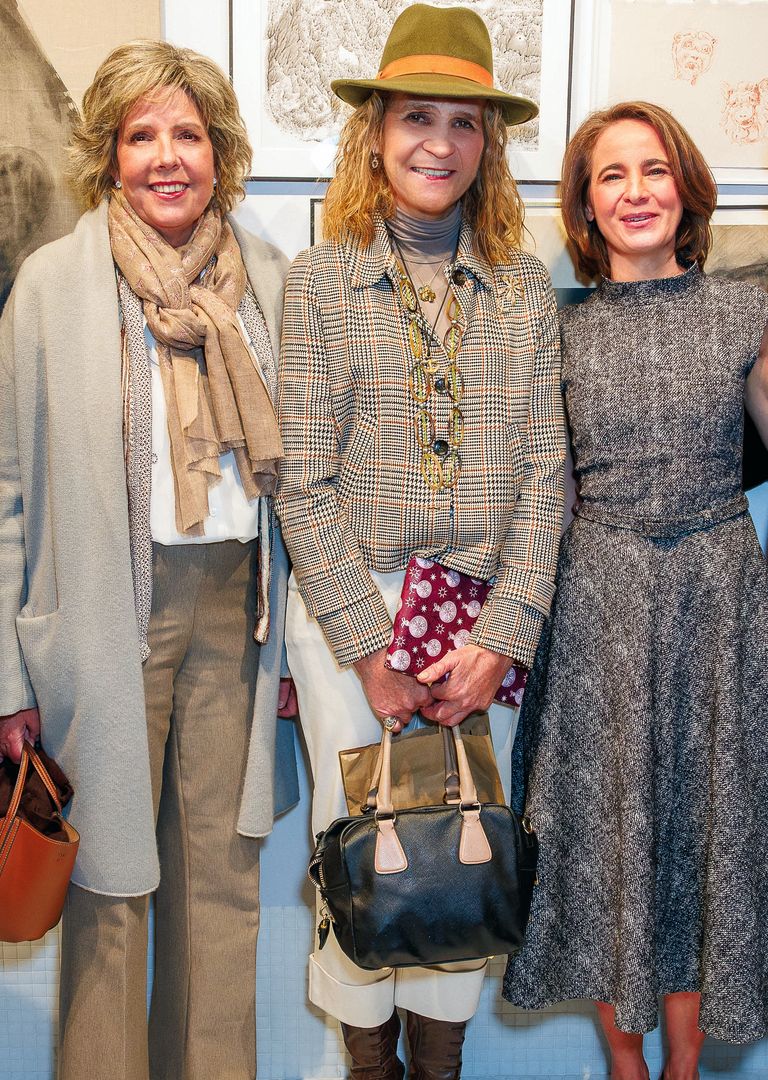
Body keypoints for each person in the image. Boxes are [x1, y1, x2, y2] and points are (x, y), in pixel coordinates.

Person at [501, 101, 768, 1080]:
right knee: (609, 837)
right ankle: (627, 1067)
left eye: (654, 169)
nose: (636, 191)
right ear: (584, 205)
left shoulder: (746, 311)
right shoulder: (559, 331)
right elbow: (552, 494)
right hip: (599, 605)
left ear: (686, 187)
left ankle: (683, 1068)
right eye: (612, 175)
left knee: (702, 834)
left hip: (718, 604)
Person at [274, 6, 564, 1078]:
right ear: (375, 132)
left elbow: (548, 479)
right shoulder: (320, 281)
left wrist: (501, 639)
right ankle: (368, 1066)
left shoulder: (523, 289)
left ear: (489, 144)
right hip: (353, 612)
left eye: (463, 122)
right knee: (362, 846)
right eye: (415, 118)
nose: (438, 143)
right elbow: (302, 480)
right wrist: (367, 650)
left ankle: (439, 1066)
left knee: (461, 841)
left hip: (480, 617)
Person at [0, 40, 297, 1080]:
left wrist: (299, 648)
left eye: (189, 135)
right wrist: (7, 682)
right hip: (97, 622)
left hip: (237, 616)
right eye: (141, 136)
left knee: (221, 888)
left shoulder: (267, 280)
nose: (167, 157)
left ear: (220, 153)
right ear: (109, 154)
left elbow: (305, 480)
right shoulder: (51, 286)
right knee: (110, 889)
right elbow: (5, 491)